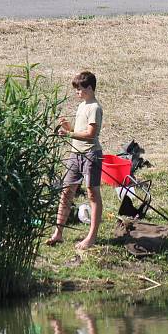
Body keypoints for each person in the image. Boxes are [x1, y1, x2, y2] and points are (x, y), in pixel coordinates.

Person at [47, 71, 103, 249]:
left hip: (91, 155)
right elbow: (79, 131)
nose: (77, 92)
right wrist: (68, 127)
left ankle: (91, 237)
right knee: (66, 191)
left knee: (92, 194)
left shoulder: (94, 107)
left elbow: (91, 134)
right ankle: (58, 233)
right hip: (75, 154)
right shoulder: (82, 106)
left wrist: (69, 133)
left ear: (89, 88)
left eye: (79, 89)